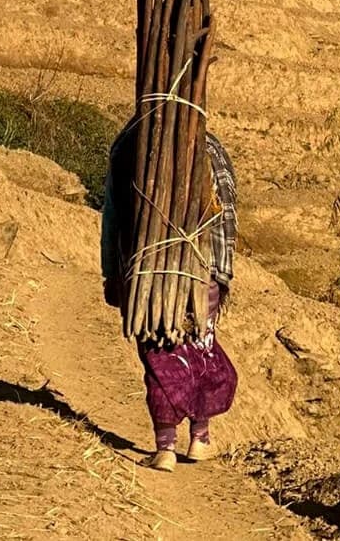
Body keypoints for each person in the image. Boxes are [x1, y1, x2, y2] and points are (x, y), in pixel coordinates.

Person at [101, 126, 239, 472]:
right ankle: (200, 438)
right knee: (199, 346)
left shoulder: (129, 143)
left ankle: (165, 448)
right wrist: (221, 275)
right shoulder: (210, 147)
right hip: (202, 269)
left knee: (162, 354)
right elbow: (227, 215)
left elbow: (113, 218)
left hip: (147, 273)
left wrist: (112, 272)